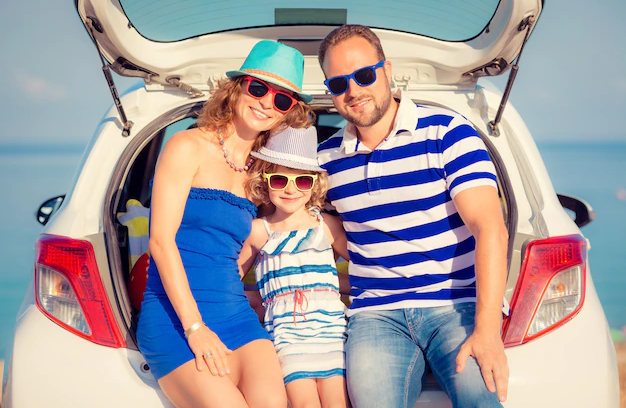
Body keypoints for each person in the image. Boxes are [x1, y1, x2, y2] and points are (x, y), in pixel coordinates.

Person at [316, 25, 510, 408]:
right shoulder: (324, 161)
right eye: (338, 83)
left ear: (387, 70)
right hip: (376, 314)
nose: (353, 90)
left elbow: (490, 228)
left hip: (457, 304)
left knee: (481, 400)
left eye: (364, 75)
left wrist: (487, 331)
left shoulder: (448, 132)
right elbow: (313, 226)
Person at [136, 40, 314, 408]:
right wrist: (195, 329)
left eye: (282, 99)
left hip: (235, 314)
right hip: (175, 318)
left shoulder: (263, 174)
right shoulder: (187, 146)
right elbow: (160, 243)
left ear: (289, 112)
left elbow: (274, 233)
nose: (267, 103)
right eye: (259, 88)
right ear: (235, 88)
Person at [238, 126, 351, 408]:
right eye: (279, 180)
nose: (291, 189)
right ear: (265, 183)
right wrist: (255, 298)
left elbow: (366, 268)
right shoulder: (259, 231)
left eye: (302, 180)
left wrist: (339, 286)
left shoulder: (326, 226)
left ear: (314, 184)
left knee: (337, 403)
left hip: (331, 331)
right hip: (287, 334)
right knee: (304, 403)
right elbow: (229, 280)